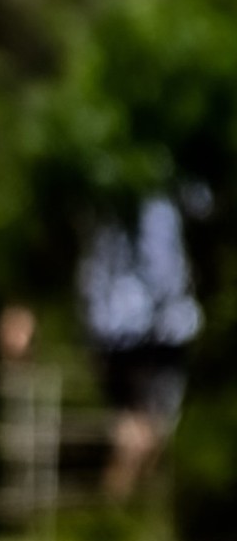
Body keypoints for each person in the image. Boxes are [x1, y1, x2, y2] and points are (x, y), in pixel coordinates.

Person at [76, 195, 203, 503]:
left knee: (140, 424)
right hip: (144, 329)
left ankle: (123, 505)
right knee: (145, 423)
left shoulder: (115, 197)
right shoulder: (152, 198)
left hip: (132, 328)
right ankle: (120, 504)